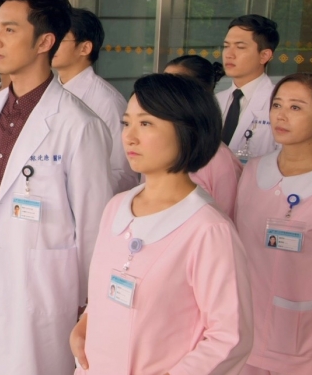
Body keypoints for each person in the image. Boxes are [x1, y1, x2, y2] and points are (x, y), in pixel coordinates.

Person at [0, 0, 115, 375]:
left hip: (41, 296)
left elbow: (94, 228)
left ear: (45, 41)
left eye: (10, 29)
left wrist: (90, 306)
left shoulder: (79, 125)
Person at [69, 74, 254, 375]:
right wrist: (85, 324)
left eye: (146, 124)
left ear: (188, 130)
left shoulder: (208, 229)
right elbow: (106, 290)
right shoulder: (116, 207)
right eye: (126, 123)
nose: (129, 137)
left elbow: (229, 336)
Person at [235, 73, 312, 375]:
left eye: (296, 107)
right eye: (277, 105)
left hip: (303, 342)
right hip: (245, 335)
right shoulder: (252, 171)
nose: (281, 115)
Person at [52, 8, 137, 194]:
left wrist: (83, 190)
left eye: (61, 38)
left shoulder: (107, 101)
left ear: (85, 48)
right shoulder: (49, 92)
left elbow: (124, 172)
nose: (51, 44)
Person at [165, 55, 243, 218]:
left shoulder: (219, 160)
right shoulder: (159, 147)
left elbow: (225, 219)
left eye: (175, 87)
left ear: (199, 96)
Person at [217, 14, 280, 161]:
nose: (229, 54)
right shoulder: (215, 101)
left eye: (240, 47)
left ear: (264, 55)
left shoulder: (278, 103)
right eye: (226, 46)